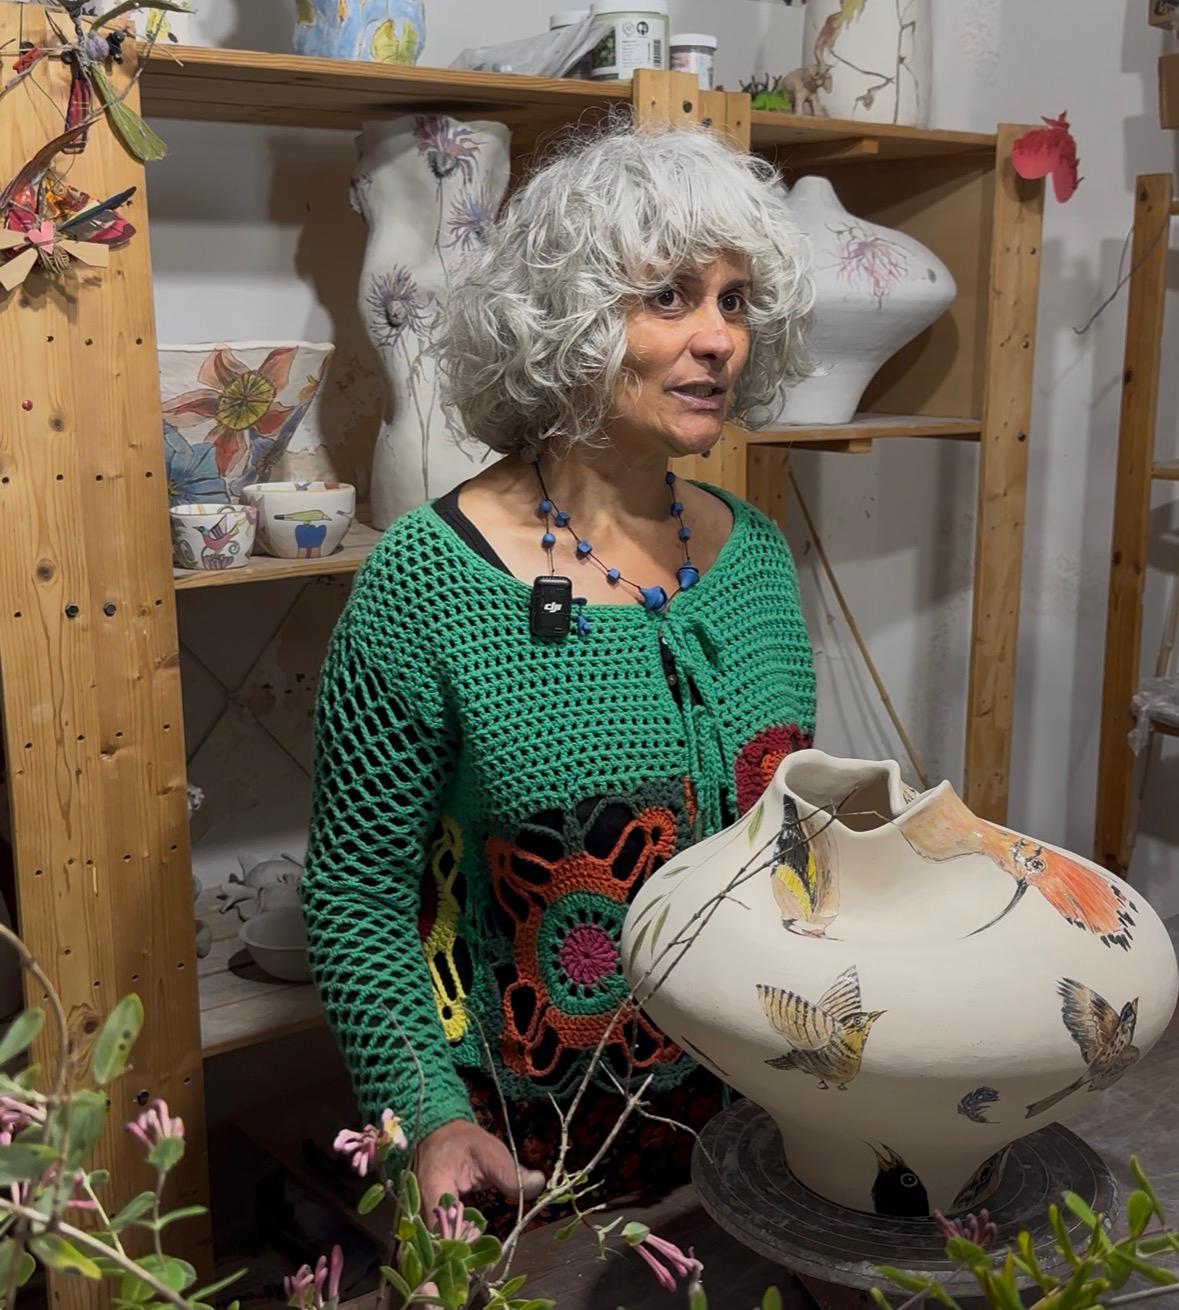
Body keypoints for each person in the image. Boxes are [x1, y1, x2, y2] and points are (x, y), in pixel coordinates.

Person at [301, 122, 817, 1231]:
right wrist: (428, 1117)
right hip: (528, 1168)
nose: (719, 337)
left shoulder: (757, 560)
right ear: (568, 317)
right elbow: (355, 895)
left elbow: (785, 848)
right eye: (670, 297)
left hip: (764, 1139)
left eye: (735, 301)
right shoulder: (428, 580)